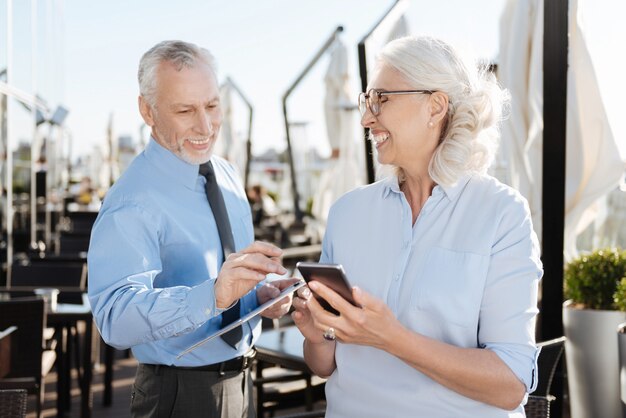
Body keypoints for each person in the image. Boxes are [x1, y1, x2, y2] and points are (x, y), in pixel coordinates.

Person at [292, 36, 542, 418]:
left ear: (435, 106)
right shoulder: (347, 212)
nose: (366, 118)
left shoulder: (501, 214)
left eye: (382, 99)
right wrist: (318, 334)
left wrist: (393, 338)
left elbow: (510, 385)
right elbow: (323, 365)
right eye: (366, 101)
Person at [88, 40, 296, 418]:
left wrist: (260, 296)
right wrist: (214, 296)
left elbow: (227, 288)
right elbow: (114, 319)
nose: (205, 126)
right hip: (179, 394)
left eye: (213, 106)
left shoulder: (228, 175)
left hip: (242, 383)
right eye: (185, 110)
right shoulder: (131, 200)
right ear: (147, 111)